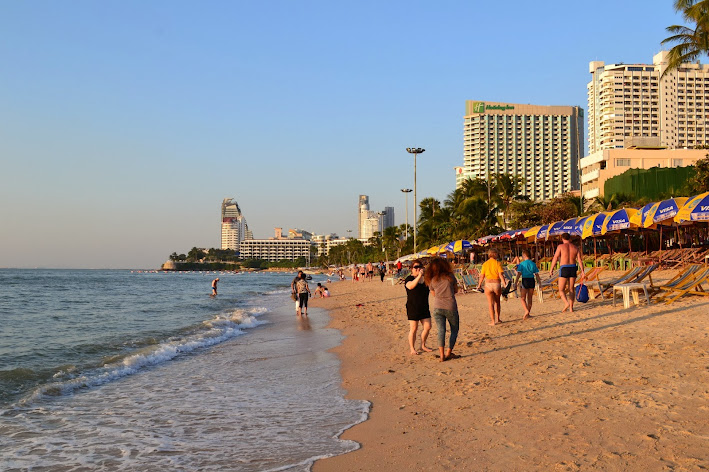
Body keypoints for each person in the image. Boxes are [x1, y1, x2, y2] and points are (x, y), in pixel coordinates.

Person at [424, 257, 460, 362]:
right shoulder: (450, 277)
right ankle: (449, 352)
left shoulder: (432, 280)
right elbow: (456, 290)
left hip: (437, 307)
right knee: (454, 330)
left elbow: (434, 294)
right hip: (450, 306)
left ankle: (441, 355)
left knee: (441, 330)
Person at [549, 232, 585, 313]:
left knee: (561, 289)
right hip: (573, 267)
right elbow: (579, 260)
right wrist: (582, 271)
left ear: (562, 239)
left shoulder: (560, 246)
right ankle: (571, 308)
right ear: (570, 239)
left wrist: (551, 269)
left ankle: (566, 303)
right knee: (571, 289)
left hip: (564, 268)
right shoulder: (575, 247)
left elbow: (555, 258)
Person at [404, 259, 433, 356]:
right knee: (414, 328)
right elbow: (411, 286)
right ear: (411, 269)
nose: (418, 269)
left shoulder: (425, 279)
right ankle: (412, 348)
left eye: (419, 267)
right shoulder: (409, 279)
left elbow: (432, 289)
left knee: (428, 327)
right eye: (415, 267)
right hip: (413, 307)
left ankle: (423, 345)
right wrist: (419, 276)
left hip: (424, 307)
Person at [477, 249, 508, 326]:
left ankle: (493, 321)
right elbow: (501, 275)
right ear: (495, 254)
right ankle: (498, 319)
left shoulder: (485, 264)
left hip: (488, 284)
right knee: (497, 302)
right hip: (496, 283)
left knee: (490, 304)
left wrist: (479, 285)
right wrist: (504, 284)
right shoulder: (498, 263)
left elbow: (482, 276)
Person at [514, 249, 542, 320]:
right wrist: (540, 283)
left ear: (524, 255)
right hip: (532, 280)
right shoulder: (533, 264)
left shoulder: (522, 264)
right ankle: (528, 313)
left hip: (525, 280)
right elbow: (537, 275)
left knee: (522, 298)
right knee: (530, 298)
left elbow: (518, 274)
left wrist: (515, 283)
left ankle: (526, 310)